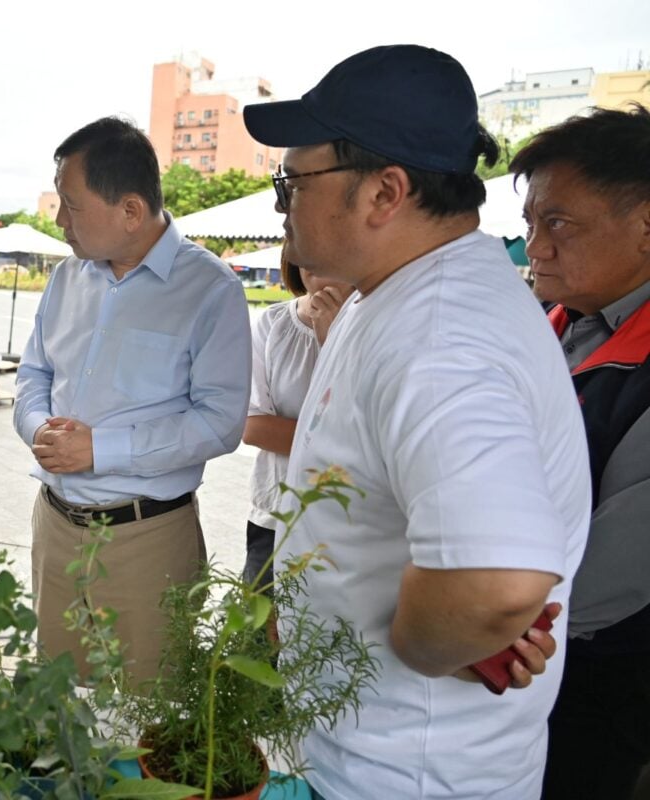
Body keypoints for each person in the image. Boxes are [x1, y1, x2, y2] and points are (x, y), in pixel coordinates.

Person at [241, 45, 591, 799]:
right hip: (362, 755)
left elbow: (498, 582)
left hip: (404, 773)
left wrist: (425, 645)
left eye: (292, 183)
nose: (283, 205)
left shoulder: (440, 336)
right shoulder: (394, 292)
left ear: (383, 192)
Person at [14, 116, 251, 685]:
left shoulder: (210, 289)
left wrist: (101, 449)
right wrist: (38, 426)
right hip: (56, 525)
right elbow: (34, 372)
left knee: (148, 702)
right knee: (57, 694)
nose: (60, 220)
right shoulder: (68, 277)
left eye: (71, 205)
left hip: (146, 539)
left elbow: (220, 422)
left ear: (130, 210)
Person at [507, 105, 650, 800]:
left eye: (558, 223)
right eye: (530, 222)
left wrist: (476, 627)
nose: (534, 247)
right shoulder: (543, 325)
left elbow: (613, 574)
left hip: (593, 675)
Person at [241, 242, 349, 586]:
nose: (317, 269)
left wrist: (333, 341)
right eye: (306, 256)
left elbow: (369, 428)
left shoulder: (378, 327)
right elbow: (252, 426)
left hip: (351, 522)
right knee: (262, 614)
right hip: (275, 515)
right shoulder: (272, 323)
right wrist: (336, 443)